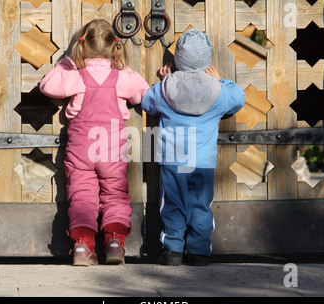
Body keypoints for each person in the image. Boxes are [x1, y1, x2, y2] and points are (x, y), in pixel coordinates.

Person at [40, 19, 149, 266]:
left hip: (81, 149)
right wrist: (125, 69)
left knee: (82, 196)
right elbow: (144, 92)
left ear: (81, 48)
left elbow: (47, 85)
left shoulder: (75, 75)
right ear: (114, 49)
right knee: (115, 195)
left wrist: (66, 63)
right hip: (111, 148)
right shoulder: (121, 77)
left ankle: (82, 246)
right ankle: (113, 243)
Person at [141, 28, 246, 266]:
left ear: (177, 59)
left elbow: (147, 102)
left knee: (172, 203)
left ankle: (173, 249)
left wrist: (165, 79)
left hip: (174, 159)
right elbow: (239, 97)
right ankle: (199, 250)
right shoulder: (218, 91)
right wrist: (220, 80)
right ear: (207, 60)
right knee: (200, 204)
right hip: (202, 160)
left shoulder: (166, 88)